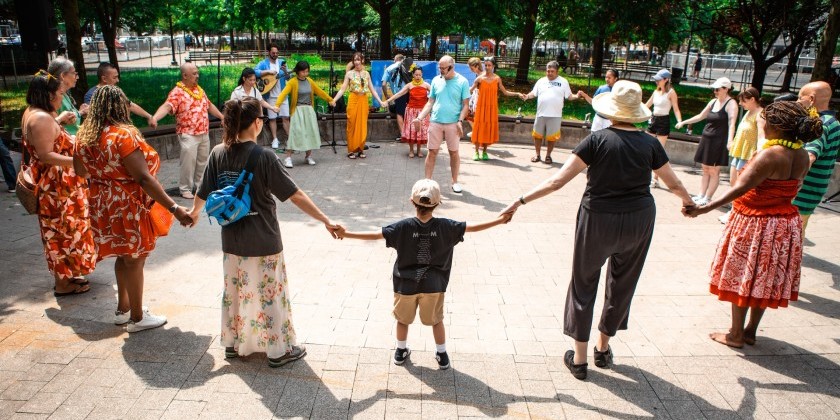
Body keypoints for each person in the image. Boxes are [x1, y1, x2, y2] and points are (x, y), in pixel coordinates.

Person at [502, 81, 695, 380]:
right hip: (639, 219)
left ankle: (579, 359)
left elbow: (557, 182)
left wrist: (521, 199)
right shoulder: (651, 143)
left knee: (584, 282)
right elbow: (674, 183)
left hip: (598, 219)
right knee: (623, 283)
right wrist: (690, 204)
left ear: (612, 111)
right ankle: (603, 349)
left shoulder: (597, 140)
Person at [188, 97, 340, 367]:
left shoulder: (218, 152)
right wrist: (326, 220)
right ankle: (279, 350)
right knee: (270, 292)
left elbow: (203, 192)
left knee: (235, 291)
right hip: (264, 238)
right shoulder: (264, 156)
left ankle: (233, 344)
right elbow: (295, 195)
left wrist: (194, 214)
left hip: (231, 240)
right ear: (258, 123)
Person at [683, 101, 822, 348]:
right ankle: (749, 331)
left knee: (743, 276)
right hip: (784, 224)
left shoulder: (769, 154)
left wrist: (703, 208)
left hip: (756, 222)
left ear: (777, 126)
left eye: (765, 120)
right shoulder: (801, 155)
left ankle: (735, 335)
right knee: (764, 279)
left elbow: (739, 189)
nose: (763, 124)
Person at [334, 179, 511, 369]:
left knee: (402, 320)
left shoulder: (402, 227)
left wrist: (347, 233)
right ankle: (442, 353)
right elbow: (473, 227)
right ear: (437, 203)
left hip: (405, 285)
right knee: (436, 321)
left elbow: (376, 235)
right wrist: (499, 221)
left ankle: (401, 350)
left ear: (412, 201)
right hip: (434, 285)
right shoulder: (447, 227)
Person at [74, 85, 192, 332]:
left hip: (102, 203)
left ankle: (123, 310)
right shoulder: (123, 135)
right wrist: (174, 208)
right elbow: (144, 178)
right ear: (120, 106)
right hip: (128, 204)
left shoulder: (84, 135)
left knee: (124, 255)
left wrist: (106, 175)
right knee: (135, 259)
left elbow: (81, 172)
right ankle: (138, 318)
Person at [21, 70, 97, 296]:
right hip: (57, 188)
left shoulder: (34, 113)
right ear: (47, 95)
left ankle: (69, 274)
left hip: (59, 186)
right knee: (61, 232)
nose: (60, 97)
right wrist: (77, 163)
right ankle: (63, 283)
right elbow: (45, 155)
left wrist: (60, 119)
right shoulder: (41, 118)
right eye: (59, 93)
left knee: (65, 230)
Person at [151, 63, 224, 199]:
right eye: (194, 73)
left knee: (202, 162)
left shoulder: (199, 90)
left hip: (203, 132)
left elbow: (209, 105)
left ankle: (200, 187)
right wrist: (155, 117)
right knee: (188, 163)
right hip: (188, 134)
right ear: (185, 75)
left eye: (197, 73)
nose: (198, 76)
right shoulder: (177, 92)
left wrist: (221, 116)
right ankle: (185, 189)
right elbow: (167, 107)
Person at [412, 55, 471, 193]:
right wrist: (419, 118)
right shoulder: (435, 80)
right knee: (432, 151)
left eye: (444, 68)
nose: (441, 71)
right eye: (440, 67)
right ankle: (427, 182)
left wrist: (460, 121)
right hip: (436, 121)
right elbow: (430, 102)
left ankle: (455, 182)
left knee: (454, 152)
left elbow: (466, 105)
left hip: (453, 123)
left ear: (452, 67)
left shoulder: (462, 81)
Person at [676, 77, 738, 206]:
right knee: (705, 168)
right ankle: (701, 194)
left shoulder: (731, 103)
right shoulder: (713, 102)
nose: (715, 91)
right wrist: (684, 122)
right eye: (714, 89)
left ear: (726, 89)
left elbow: (732, 123)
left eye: (718, 89)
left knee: (714, 170)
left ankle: (708, 197)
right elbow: (700, 116)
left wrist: (730, 141)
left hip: (719, 140)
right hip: (707, 138)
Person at [793, 81, 840, 234]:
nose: (798, 102)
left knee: (792, 235)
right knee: (798, 232)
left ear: (811, 99)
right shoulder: (834, 123)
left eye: (801, 98)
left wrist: (795, 182)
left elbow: (810, 156)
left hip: (803, 191)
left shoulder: (819, 125)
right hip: (815, 188)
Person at [274, 61, 336, 168]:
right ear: (298, 71)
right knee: (295, 133)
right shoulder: (292, 82)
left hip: (309, 110)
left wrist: (330, 100)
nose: (305, 73)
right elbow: (283, 93)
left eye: (307, 71)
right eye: (303, 71)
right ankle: (288, 158)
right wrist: (277, 105)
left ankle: (308, 156)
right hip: (298, 110)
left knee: (309, 132)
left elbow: (319, 91)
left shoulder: (310, 81)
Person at [521, 61, 584, 164]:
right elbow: (534, 93)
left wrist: (577, 96)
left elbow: (569, 96)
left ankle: (548, 156)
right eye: (548, 71)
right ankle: (537, 155)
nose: (549, 73)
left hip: (555, 115)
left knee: (552, 137)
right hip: (541, 114)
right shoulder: (541, 81)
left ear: (557, 71)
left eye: (552, 71)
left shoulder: (563, 81)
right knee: (537, 135)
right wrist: (527, 96)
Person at [719, 87, 765, 224]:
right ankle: (734, 210)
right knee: (734, 183)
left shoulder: (760, 114)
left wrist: (759, 153)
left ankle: (738, 213)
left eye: (743, 101)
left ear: (752, 99)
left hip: (748, 154)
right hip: (739, 152)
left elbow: (762, 135)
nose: (740, 104)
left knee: (741, 186)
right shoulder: (748, 112)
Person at [332, 52, 384, 159]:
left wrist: (380, 101)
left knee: (362, 125)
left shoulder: (366, 74)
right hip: (353, 99)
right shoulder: (349, 74)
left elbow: (372, 89)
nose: (356, 62)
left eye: (358, 60)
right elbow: (343, 89)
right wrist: (334, 99)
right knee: (351, 124)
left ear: (362, 60)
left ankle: (360, 149)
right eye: (355, 60)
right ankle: (351, 150)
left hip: (363, 100)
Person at [470, 56, 523, 161]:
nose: (487, 67)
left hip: (491, 108)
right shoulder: (479, 79)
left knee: (487, 128)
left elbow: (505, 92)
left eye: (489, 65)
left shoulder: (497, 79)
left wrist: (517, 93)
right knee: (478, 128)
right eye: (486, 65)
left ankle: (484, 152)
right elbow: (470, 90)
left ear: (493, 66)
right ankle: (476, 152)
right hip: (481, 107)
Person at [83, 62, 157, 128]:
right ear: (104, 79)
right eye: (114, 78)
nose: (117, 80)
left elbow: (129, 105)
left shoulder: (116, 91)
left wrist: (149, 117)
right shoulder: (91, 95)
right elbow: (90, 115)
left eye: (117, 77)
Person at [645, 69, 683, 188]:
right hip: (653, 120)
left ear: (666, 80)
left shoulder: (671, 92)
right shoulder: (656, 92)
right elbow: (647, 105)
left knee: (658, 150)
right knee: (647, 147)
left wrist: (680, 121)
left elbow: (676, 108)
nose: (656, 81)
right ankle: (646, 175)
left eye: (659, 79)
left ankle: (655, 179)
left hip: (663, 121)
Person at [385, 64, 431, 158]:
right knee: (411, 131)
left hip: (422, 112)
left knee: (420, 131)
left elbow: (435, 95)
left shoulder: (426, 85)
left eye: (419, 75)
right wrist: (388, 100)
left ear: (422, 75)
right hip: (411, 112)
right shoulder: (409, 85)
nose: (418, 76)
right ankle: (411, 150)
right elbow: (399, 94)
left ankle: (419, 150)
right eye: (416, 75)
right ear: (413, 75)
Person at [254, 45, 291, 149]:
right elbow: (255, 72)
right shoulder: (263, 63)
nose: (275, 55)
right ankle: (275, 139)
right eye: (273, 53)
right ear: (268, 52)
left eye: (277, 53)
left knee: (286, 117)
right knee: (272, 118)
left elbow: (288, 77)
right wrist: (268, 72)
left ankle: (289, 139)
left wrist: (286, 71)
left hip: (282, 94)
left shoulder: (282, 62)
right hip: (270, 95)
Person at [48, 57, 88, 136]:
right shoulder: (54, 97)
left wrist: (80, 112)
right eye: (74, 73)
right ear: (63, 75)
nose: (77, 77)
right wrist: (81, 113)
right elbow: (51, 124)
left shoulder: (65, 93)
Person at [382, 54, 410, 140]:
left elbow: (383, 84)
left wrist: (387, 96)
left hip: (399, 93)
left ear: (396, 59)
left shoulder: (389, 68)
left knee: (399, 113)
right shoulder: (408, 66)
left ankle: (403, 135)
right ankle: (411, 134)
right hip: (411, 91)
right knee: (410, 112)